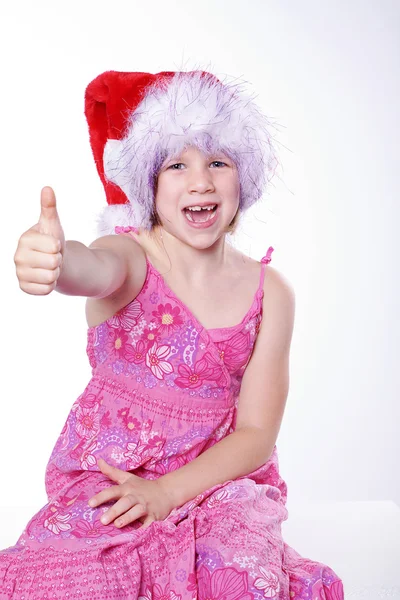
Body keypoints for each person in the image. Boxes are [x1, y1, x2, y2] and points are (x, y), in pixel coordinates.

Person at [2, 69, 344, 599]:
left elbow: (255, 434)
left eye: (218, 162)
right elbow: (92, 268)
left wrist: (169, 492)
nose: (200, 181)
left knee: (239, 577)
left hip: (219, 481)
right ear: (150, 185)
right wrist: (52, 259)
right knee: (78, 578)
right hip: (116, 475)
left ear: (243, 177)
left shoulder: (270, 292)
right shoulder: (131, 257)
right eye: (176, 165)